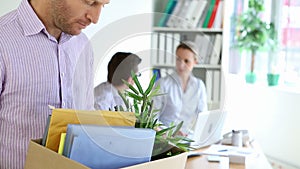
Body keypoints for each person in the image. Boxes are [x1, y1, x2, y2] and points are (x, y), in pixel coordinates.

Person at [0, 0, 110, 168]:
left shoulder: (83, 46)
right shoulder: (3, 41)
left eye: (104, 5)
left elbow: (85, 116)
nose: (95, 18)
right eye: (90, 2)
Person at [154, 41, 208, 136]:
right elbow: (152, 118)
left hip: (187, 137)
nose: (181, 65)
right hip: (164, 138)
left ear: (195, 61)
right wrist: (170, 133)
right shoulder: (162, 84)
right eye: (178, 59)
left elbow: (203, 117)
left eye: (186, 61)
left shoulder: (199, 86)